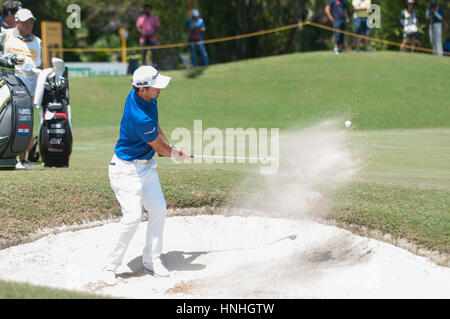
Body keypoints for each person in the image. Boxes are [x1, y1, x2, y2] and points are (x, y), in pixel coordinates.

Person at [101, 65, 189, 286]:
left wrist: (171, 147)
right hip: (126, 171)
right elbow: (158, 147)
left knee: (158, 208)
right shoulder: (138, 115)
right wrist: (174, 153)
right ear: (142, 89)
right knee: (132, 217)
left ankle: (152, 259)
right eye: (156, 86)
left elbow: (157, 129)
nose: (160, 89)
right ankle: (110, 267)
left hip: (145, 167)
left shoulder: (149, 99)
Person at [1, 8, 41, 169]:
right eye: (25, 22)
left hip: (29, 90)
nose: (28, 25)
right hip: (7, 86)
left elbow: (41, 64)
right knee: (8, 120)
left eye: (30, 22)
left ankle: (22, 160)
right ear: (17, 22)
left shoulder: (38, 41)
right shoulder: (6, 35)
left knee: (24, 122)